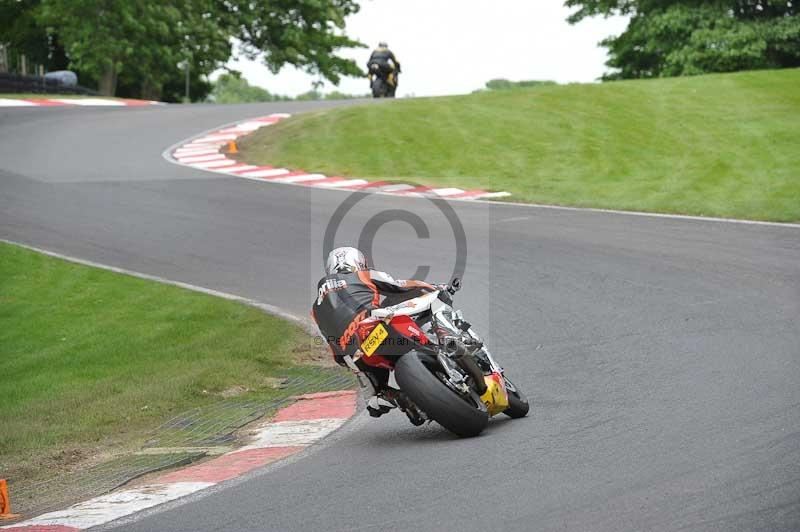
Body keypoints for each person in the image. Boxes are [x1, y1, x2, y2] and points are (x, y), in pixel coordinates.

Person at [311, 247, 436, 417]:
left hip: (354, 353)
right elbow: (400, 286)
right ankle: (442, 342)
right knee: (419, 300)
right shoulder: (364, 274)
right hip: (374, 326)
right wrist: (434, 287)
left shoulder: (315, 309)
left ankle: (397, 398)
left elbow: (332, 345)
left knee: (375, 397)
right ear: (358, 262)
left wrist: (351, 363)